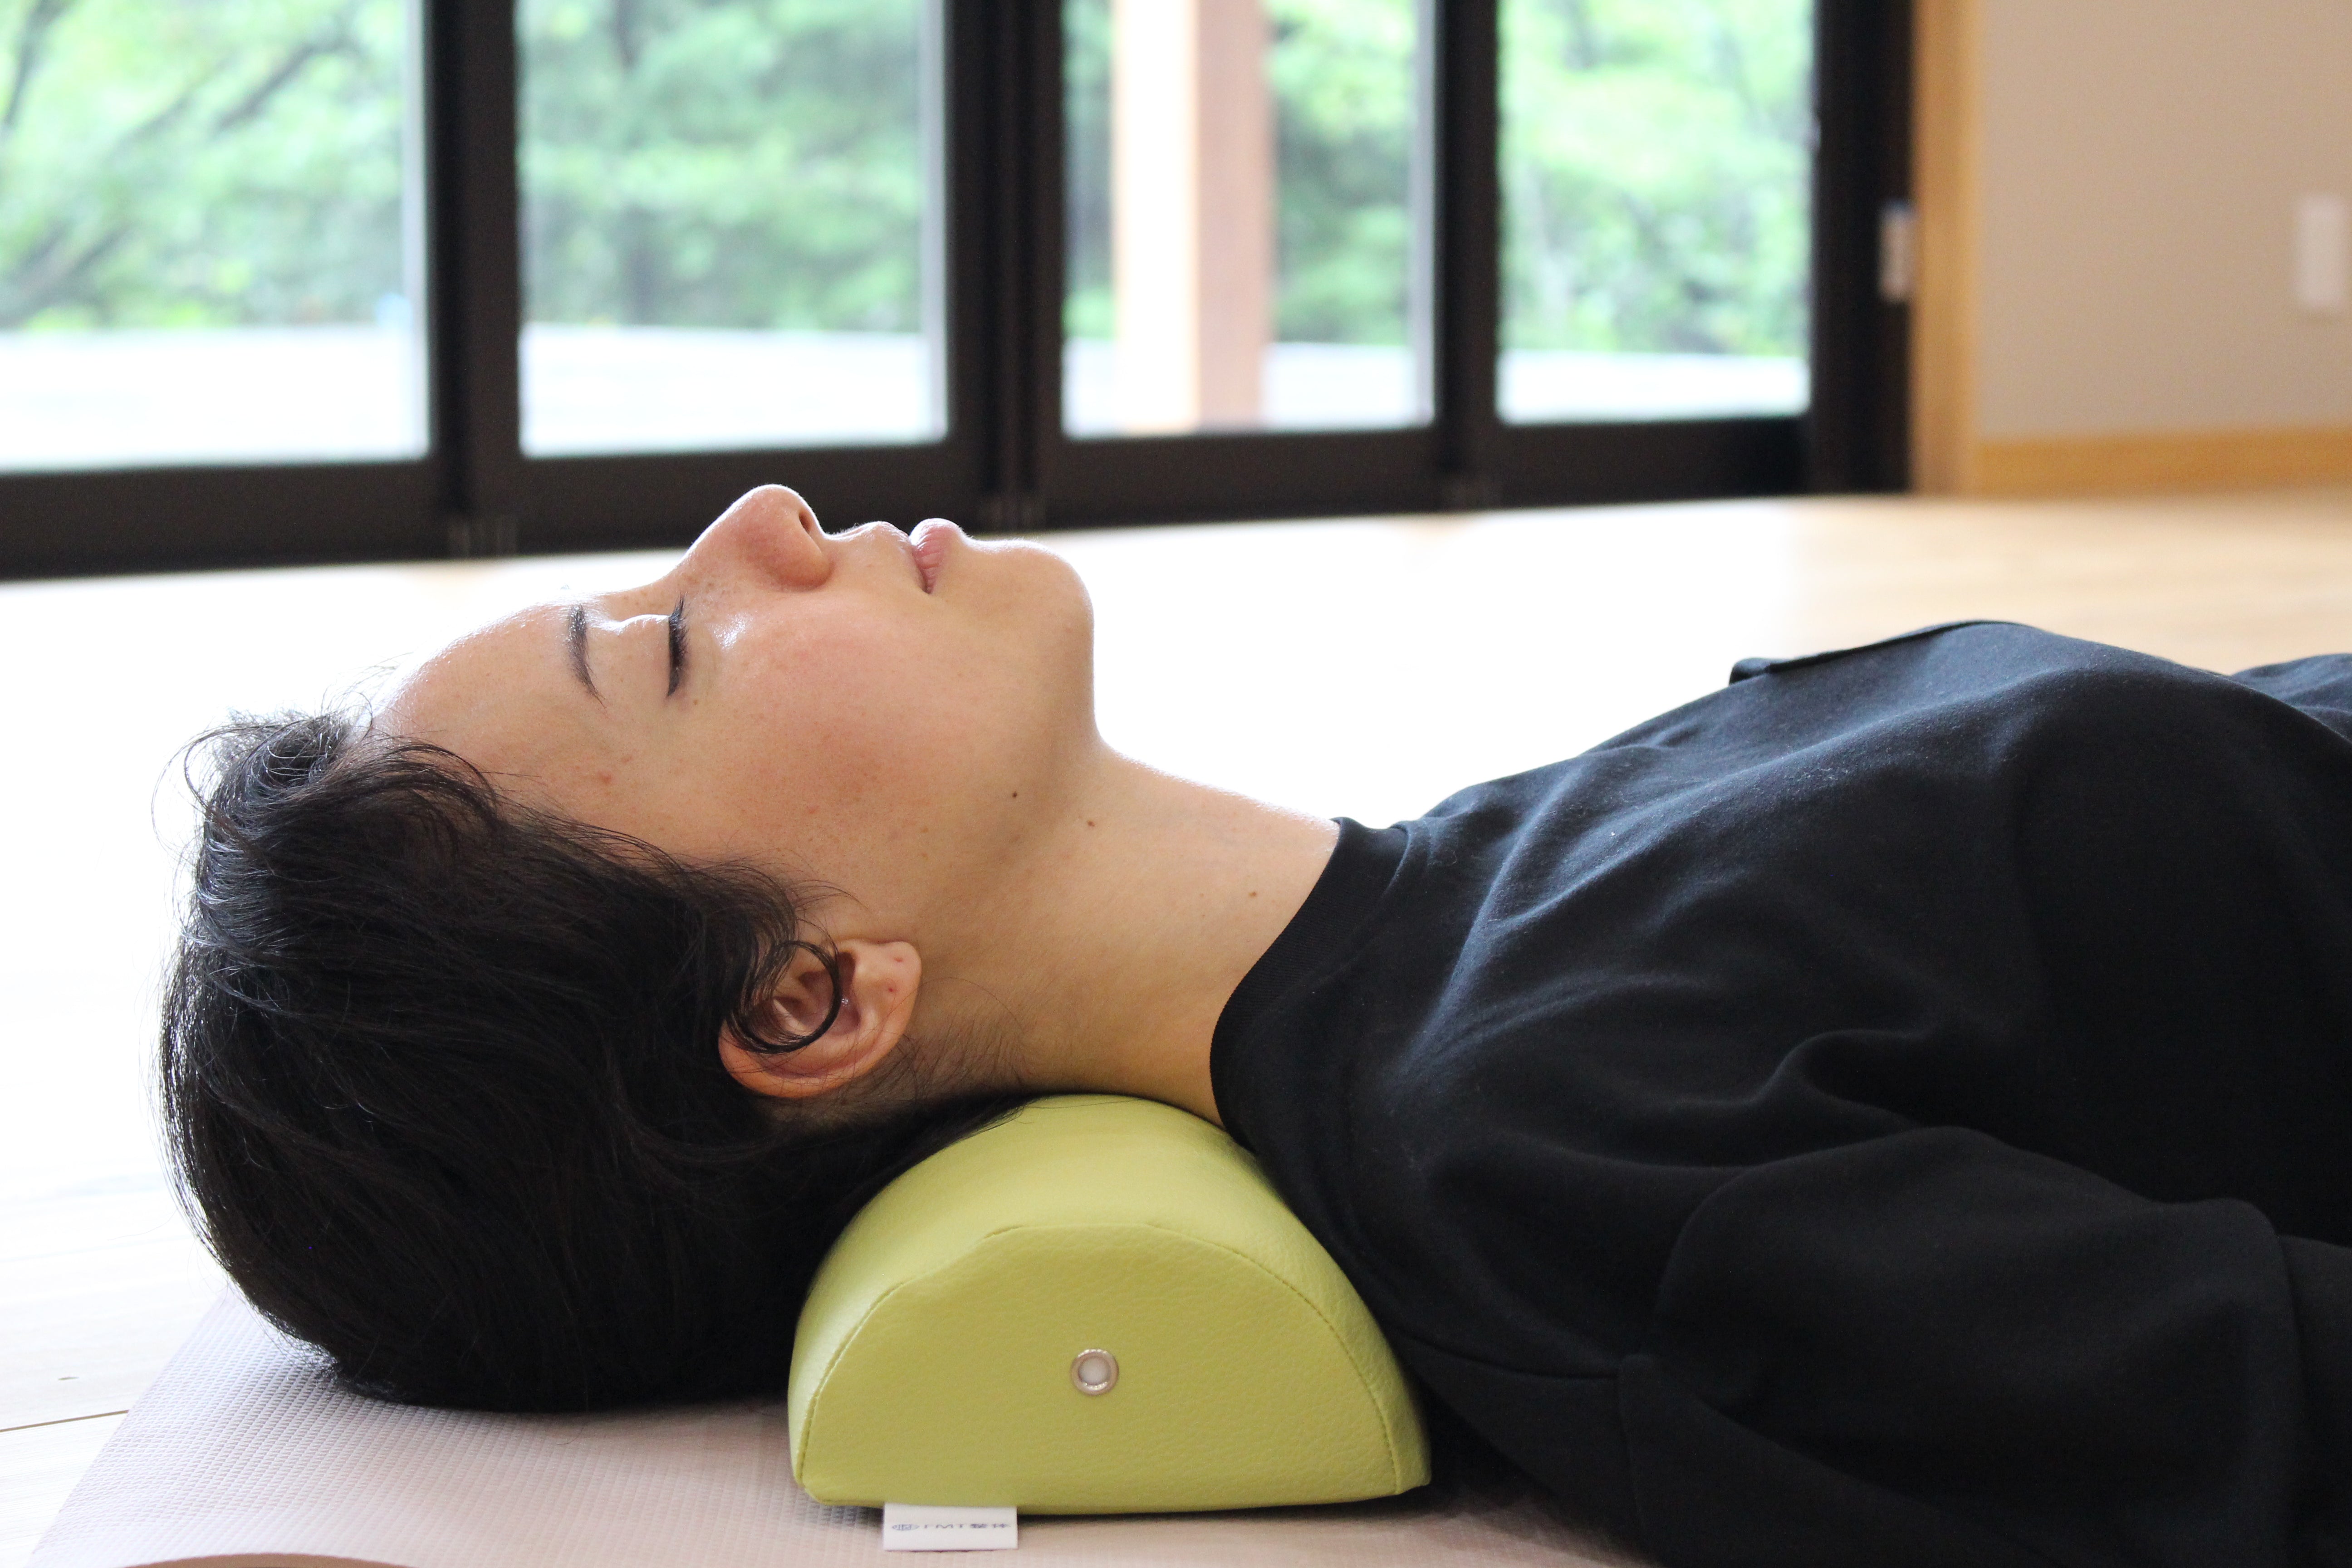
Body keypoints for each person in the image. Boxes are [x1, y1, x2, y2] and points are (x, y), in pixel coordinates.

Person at [166, 485, 2352, 1568]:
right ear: (810, 999)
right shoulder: (1559, 1148)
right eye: (665, 651)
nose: (752, 525)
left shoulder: (1465, 896)